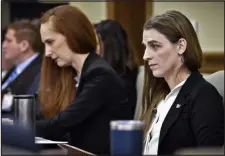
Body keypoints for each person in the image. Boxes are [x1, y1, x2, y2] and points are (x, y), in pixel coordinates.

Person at [36, 5, 134, 155]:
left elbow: (62, 124)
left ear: (72, 35)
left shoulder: (100, 74)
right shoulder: (80, 73)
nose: (47, 53)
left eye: (50, 42)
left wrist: (13, 129)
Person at [141, 10, 224, 155]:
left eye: (155, 46)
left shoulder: (203, 95)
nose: (146, 56)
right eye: (145, 47)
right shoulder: (161, 95)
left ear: (181, 46)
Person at [94, 19, 138, 117]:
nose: (92, 49)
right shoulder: (126, 74)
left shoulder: (118, 82)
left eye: (96, 43)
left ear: (110, 46)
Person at [2, 19, 43, 114]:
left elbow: (31, 106)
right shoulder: (15, 69)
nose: (4, 45)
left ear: (24, 45)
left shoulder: (40, 72)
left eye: (9, 41)